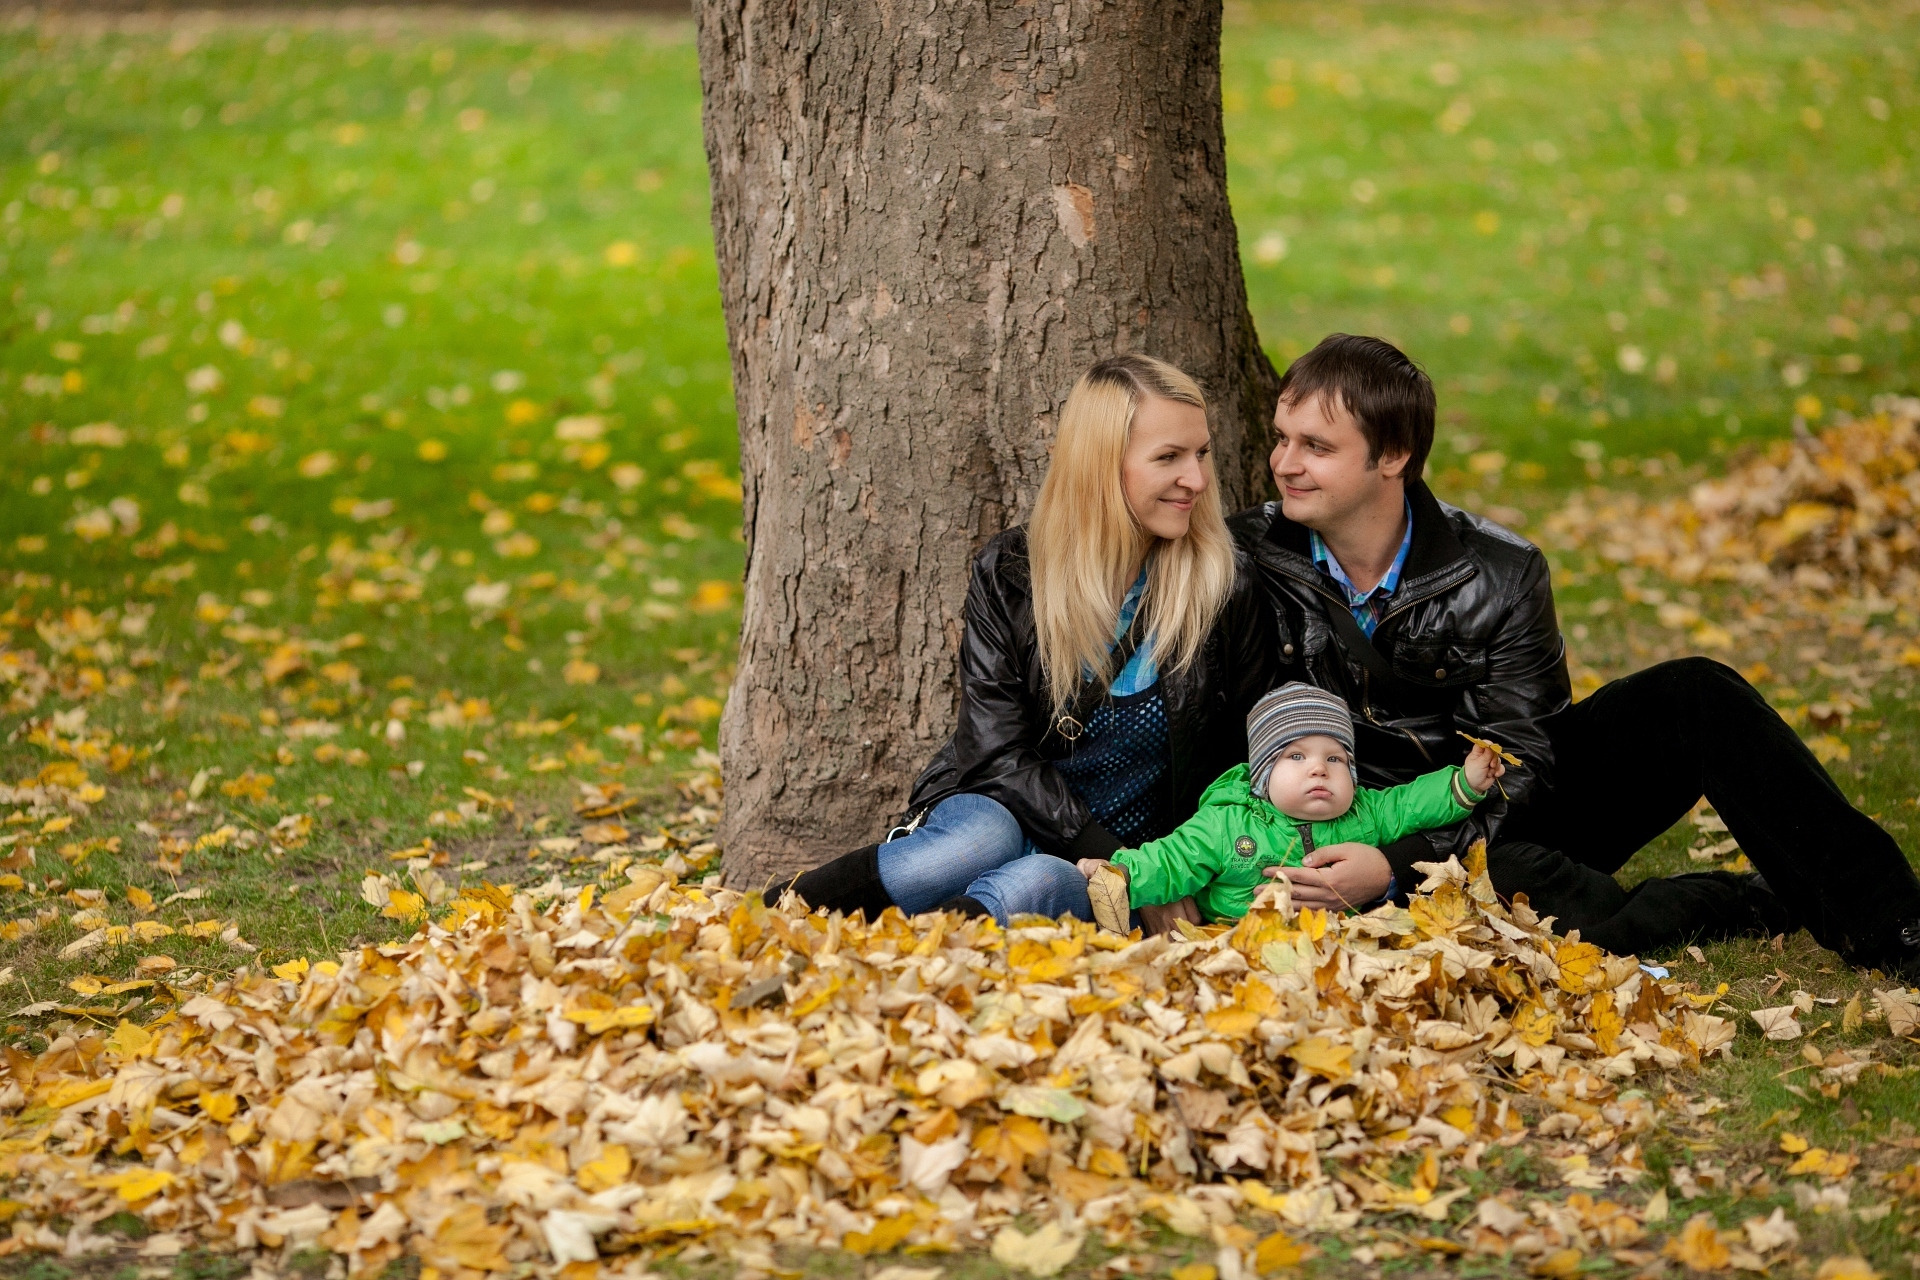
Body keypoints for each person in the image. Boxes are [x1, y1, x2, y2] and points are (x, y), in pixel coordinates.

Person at [1228, 332, 1920, 977]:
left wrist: (1396, 862)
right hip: (1320, 828)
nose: (1284, 463)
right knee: (1559, 916)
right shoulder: (1247, 558)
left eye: (1314, 446)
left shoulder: (1501, 572)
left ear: (1393, 455)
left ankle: (1896, 926)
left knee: (1697, 693)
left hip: (1484, 823)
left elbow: (1522, 763)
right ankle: (1734, 902)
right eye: (1283, 439)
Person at [780, 354, 1277, 927]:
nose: (1196, 479)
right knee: (971, 847)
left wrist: (1161, 870)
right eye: (1169, 457)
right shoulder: (1014, 573)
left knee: (1034, 881)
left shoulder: (1226, 586)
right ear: (1099, 466)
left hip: (1139, 860)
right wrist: (1115, 859)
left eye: (1201, 453)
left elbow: (1245, 763)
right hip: (1008, 813)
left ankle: (910, 972)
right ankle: (766, 918)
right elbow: (995, 752)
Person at [1077, 682, 1505, 929]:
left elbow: (1411, 804)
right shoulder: (1228, 823)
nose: (1318, 768)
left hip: (1335, 948)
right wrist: (1119, 873)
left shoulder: (1366, 813)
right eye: (1296, 756)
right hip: (1235, 943)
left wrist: (1465, 781)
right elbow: (1173, 860)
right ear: (1262, 775)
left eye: (1334, 759)